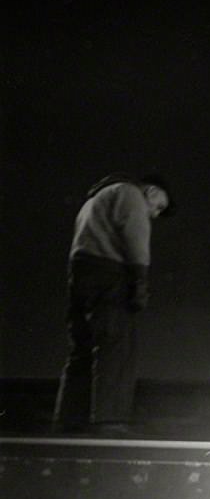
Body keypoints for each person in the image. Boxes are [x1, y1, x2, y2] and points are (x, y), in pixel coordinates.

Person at [53, 172, 175, 434]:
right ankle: (110, 420)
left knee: (81, 349)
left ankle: (69, 419)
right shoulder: (130, 194)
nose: (154, 213)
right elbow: (135, 236)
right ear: (151, 191)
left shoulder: (94, 200)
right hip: (109, 274)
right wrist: (140, 282)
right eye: (158, 206)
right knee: (117, 347)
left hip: (81, 272)